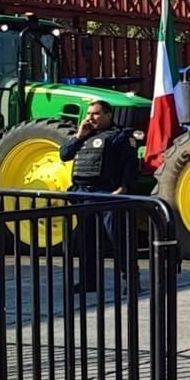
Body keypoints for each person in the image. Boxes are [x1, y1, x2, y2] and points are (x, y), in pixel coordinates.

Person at [59, 99, 139, 293]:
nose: (90, 118)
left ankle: (131, 281)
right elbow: (64, 155)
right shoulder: (83, 135)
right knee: (86, 240)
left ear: (108, 115)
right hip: (84, 193)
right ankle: (89, 281)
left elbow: (130, 165)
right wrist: (79, 136)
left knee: (117, 238)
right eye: (89, 114)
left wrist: (124, 188)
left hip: (107, 193)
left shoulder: (120, 135)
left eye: (95, 114)